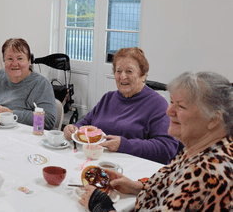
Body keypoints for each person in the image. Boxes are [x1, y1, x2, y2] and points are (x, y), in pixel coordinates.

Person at [80, 71, 233, 212]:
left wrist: (100, 206)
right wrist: (136, 187)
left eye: (180, 106)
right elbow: (169, 182)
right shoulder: (196, 148)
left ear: (213, 120)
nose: (169, 111)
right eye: (171, 102)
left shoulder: (207, 172)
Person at [63, 47, 179, 164]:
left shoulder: (158, 104)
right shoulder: (108, 98)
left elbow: (167, 148)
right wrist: (74, 128)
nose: (122, 76)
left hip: (133, 171)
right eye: (118, 71)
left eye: (129, 71)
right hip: (96, 162)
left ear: (143, 75)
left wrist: (124, 145)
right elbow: (86, 122)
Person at [0, 38, 56, 130]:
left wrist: (11, 114)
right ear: (4, 61)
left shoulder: (41, 84)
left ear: (29, 61)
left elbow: (49, 121)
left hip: (24, 136)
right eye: (10, 59)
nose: (14, 64)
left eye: (20, 58)